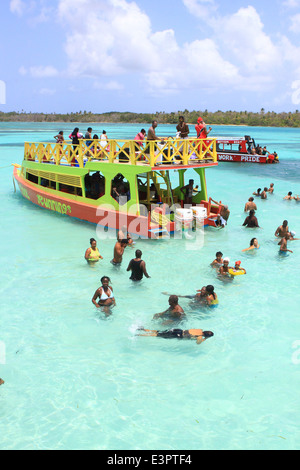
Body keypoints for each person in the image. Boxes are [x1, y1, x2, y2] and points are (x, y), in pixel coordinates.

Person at [137, 328, 214, 344]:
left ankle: (143, 329)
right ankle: (139, 335)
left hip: (178, 330)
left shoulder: (200, 330)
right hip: (177, 335)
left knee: (158, 331)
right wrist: (205, 339)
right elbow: (198, 343)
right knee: (157, 335)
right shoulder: (200, 336)